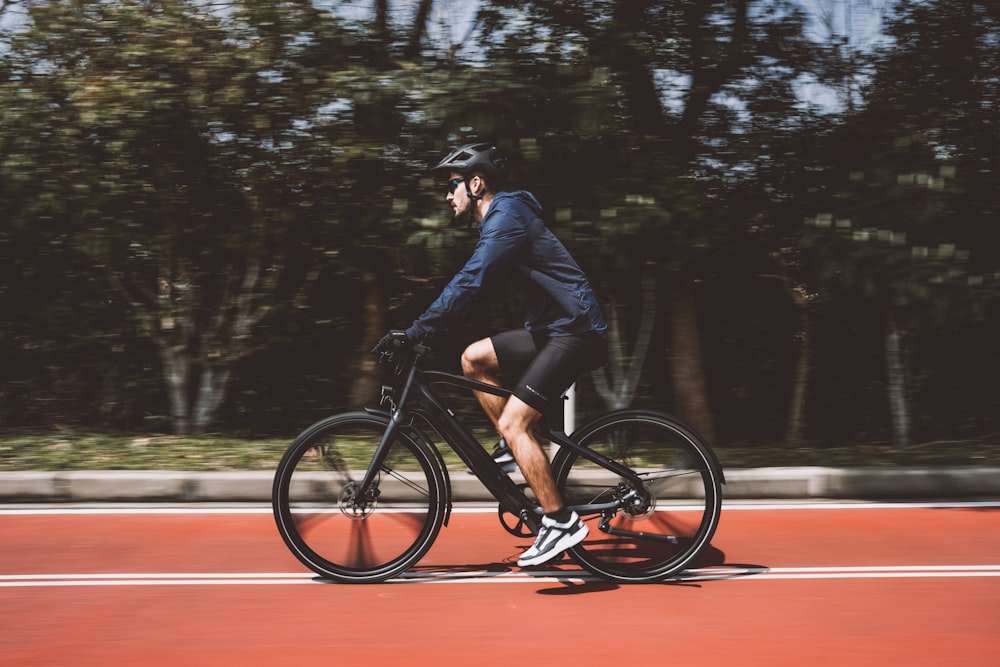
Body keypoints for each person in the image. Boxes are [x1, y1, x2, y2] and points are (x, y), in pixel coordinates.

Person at [373, 142, 608, 567]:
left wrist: (416, 332)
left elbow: (473, 280)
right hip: (551, 329)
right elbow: (472, 285)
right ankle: (513, 449)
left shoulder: (506, 218)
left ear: (476, 183)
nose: (448, 195)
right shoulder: (500, 221)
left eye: (452, 185)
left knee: (517, 423)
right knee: (473, 359)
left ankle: (560, 522)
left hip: (574, 331)